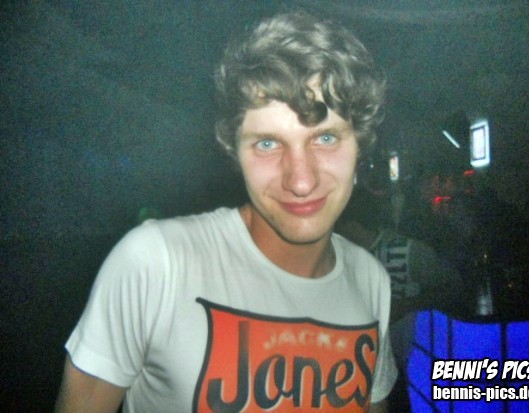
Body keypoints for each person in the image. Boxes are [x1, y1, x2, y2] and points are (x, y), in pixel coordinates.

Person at [55, 12, 397, 413]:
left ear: (359, 144)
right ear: (235, 151)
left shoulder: (371, 279)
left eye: (325, 138)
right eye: (267, 144)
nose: (301, 181)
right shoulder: (156, 263)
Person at [336, 187, 463, 411]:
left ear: (351, 225)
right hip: (364, 368)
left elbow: (454, 287)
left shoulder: (408, 250)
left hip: (410, 366)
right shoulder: (338, 258)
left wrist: (406, 305)